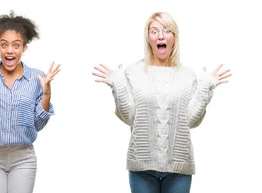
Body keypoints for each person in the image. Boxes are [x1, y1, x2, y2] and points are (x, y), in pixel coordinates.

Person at [92, 12, 231, 193]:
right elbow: (130, 117)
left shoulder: (187, 75)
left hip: (179, 169)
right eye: (154, 31)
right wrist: (117, 84)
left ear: (174, 37)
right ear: (148, 38)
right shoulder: (134, 72)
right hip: (142, 168)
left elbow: (190, 121)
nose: (160, 36)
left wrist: (206, 88)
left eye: (166, 30)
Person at [0, 10, 60, 193]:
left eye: (16, 45)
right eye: (4, 45)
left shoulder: (37, 79)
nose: (9, 50)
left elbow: (38, 124)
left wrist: (46, 95)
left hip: (23, 157)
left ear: (24, 48)